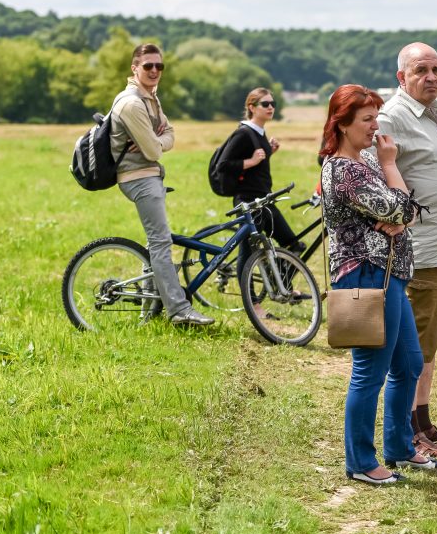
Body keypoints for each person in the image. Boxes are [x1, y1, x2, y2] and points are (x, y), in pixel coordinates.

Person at [320, 84, 437, 485]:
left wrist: (402, 211)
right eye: (367, 119)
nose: (376, 126)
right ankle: (359, 463)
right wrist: (392, 169)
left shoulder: (366, 160)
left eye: (377, 116)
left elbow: (411, 206)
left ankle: (399, 446)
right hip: (366, 276)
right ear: (342, 124)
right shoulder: (345, 169)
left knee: (407, 364)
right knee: (368, 373)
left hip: (390, 275)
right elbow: (402, 204)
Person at [377, 42, 437, 456]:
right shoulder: (392, 116)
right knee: (413, 347)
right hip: (423, 253)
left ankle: (422, 418)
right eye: (421, 70)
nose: (431, 77)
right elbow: (371, 172)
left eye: (436, 69)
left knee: (431, 343)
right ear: (402, 77)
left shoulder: (436, 114)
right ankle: (405, 429)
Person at [112, 43, 213, 326]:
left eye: (160, 66)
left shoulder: (150, 98)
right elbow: (156, 151)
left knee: (154, 241)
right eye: (148, 66)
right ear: (135, 68)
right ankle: (179, 309)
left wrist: (157, 140)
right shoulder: (132, 103)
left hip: (149, 175)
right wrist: (156, 143)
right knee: (160, 242)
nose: (155, 70)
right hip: (139, 178)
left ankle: (149, 310)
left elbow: (168, 135)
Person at [214, 88, 306, 269]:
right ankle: (252, 298)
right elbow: (222, 165)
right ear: (252, 107)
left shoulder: (259, 132)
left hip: (264, 199)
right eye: (265, 104)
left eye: (273, 104)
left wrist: (269, 152)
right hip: (248, 201)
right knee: (248, 252)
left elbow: (257, 165)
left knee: (293, 244)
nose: (270, 107)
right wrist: (251, 161)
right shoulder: (243, 133)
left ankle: (279, 285)